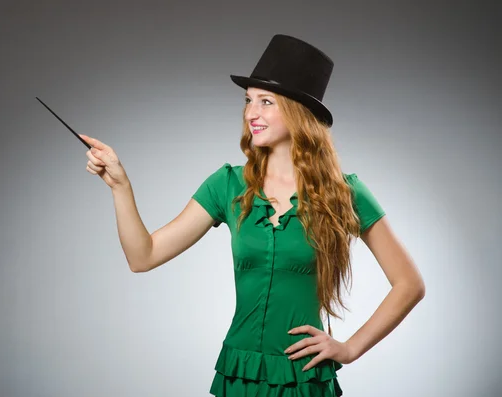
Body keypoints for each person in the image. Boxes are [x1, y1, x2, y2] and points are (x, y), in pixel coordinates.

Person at [79, 34, 425, 397]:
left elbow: (409, 284)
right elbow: (142, 256)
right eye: (248, 101)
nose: (250, 114)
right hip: (238, 374)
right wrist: (120, 186)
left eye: (265, 102)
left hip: (301, 378)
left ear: (298, 112)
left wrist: (350, 348)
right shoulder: (227, 185)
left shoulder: (345, 192)